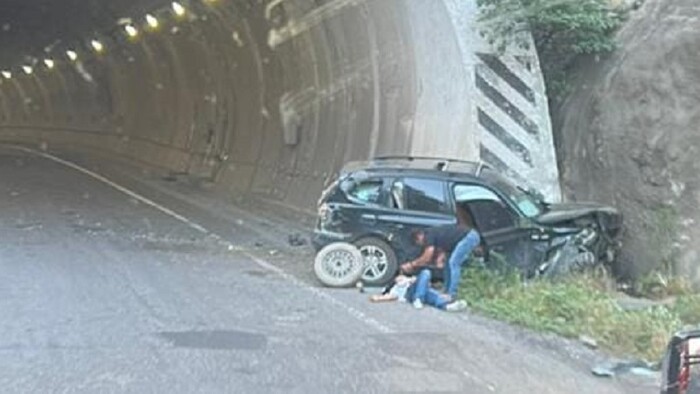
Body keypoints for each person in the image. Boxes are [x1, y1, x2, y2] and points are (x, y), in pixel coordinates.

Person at [401, 224, 480, 301]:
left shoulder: (428, 235)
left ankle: (452, 294)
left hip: (469, 237)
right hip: (460, 239)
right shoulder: (433, 234)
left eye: (419, 243)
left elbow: (427, 256)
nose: (422, 245)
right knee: (447, 264)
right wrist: (438, 260)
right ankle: (446, 290)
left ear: (419, 237)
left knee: (454, 263)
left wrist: (412, 264)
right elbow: (440, 252)